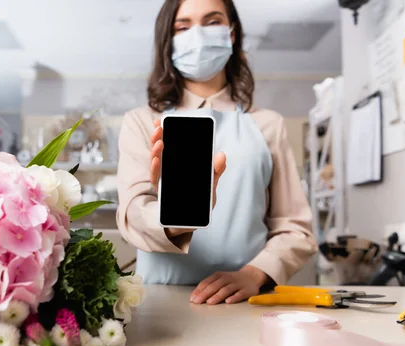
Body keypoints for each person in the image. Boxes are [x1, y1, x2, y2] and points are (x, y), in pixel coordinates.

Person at [116, 0, 318, 305]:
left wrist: (256, 273)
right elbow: (132, 213)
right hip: (161, 302)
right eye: (182, 27)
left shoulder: (268, 124)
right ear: (167, 41)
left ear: (232, 33)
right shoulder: (142, 122)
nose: (197, 36)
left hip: (246, 302)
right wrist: (177, 217)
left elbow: (294, 227)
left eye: (212, 22)